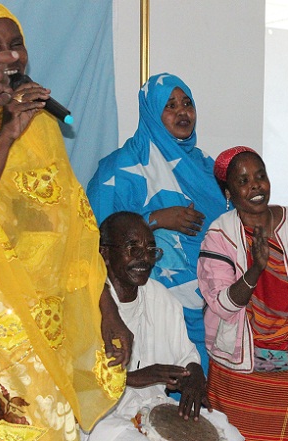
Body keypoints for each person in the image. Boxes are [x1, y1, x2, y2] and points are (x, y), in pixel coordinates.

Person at [0, 2, 131, 439]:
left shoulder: (40, 125)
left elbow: (71, 232)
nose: (11, 56)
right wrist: (5, 136)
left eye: (17, 44)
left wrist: (107, 309)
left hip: (45, 327)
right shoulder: (15, 126)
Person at [197, 146, 288, 441]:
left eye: (260, 176)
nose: (255, 186)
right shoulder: (220, 235)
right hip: (237, 367)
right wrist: (255, 269)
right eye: (243, 181)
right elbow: (223, 305)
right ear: (229, 193)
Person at [87, 73, 226, 373]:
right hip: (149, 308)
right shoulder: (119, 170)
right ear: (151, 111)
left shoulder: (206, 167)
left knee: (202, 386)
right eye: (170, 105)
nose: (182, 112)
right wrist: (157, 219)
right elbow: (93, 241)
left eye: (187, 103)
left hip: (213, 306)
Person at [85, 211, 243, 441]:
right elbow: (71, 380)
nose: (145, 259)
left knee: (230, 434)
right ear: (105, 253)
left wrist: (194, 376)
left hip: (153, 406)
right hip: (102, 417)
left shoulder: (161, 298)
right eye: (133, 248)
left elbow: (186, 357)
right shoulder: (85, 303)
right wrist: (131, 378)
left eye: (151, 249)